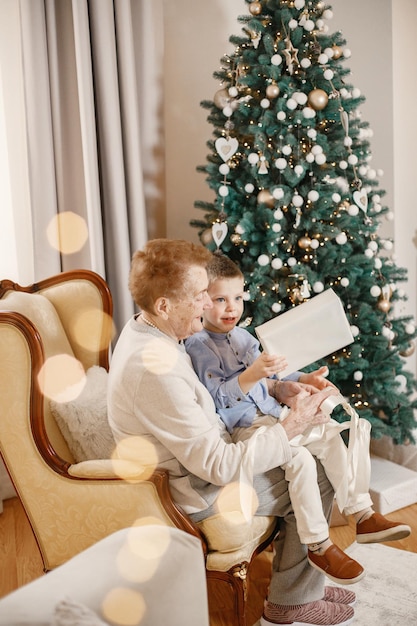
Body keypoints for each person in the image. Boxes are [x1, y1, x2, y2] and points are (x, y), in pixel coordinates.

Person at [108, 239, 358, 626]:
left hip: (205, 458)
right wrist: (288, 429)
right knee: (318, 468)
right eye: (198, 297)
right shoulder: (153, 371)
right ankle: (291, 601)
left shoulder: (153, 330)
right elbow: (219, 468)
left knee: (308, 454)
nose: (209, 305)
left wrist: (278, 388)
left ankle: (300, 588)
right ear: (163, 305)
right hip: (196, 489)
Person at [185, 251, 411, 586]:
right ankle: (318, 544)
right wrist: (253, 373)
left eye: (237, 297)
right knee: (302, 460)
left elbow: (280, 372)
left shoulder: (245, 336)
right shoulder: (199, 345)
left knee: (331, 437)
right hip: (249, 430)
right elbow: (220, 396)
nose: (231, 308)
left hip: (277, 416)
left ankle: (361, 513)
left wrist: (307, 380)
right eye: (220, 299)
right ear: (202, 301)